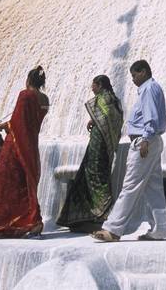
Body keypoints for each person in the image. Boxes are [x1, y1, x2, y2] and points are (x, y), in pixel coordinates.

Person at [93, 60, 166, 242]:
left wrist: (145, 140)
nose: (133, 79)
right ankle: (160, 229)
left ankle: (113, 229)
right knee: (153, 188)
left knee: (130, 186)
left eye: (134, 75)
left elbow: (150, 117)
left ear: (143, 72)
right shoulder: (153, 88)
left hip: (145, 142)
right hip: (151, 141)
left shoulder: (148, 89)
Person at [0, 65, 49, 239]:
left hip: (14, 147)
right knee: (25, 184)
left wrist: (0, 126)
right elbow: (27, 123)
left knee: (4, 186)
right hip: (31, 146)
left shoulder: (25, 95)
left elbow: (17, 123)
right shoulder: (44, 99)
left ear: (28, 80)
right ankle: (30, 221)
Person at [57, 75, 124, 233]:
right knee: (100, 176)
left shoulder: (102, 98)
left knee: (94, 177)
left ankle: (101, 215)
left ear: (100, 85)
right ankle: (94, 215)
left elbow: (104, 117)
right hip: (107, 147)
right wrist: (94, 120)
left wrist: (96, 120)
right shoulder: (115, 100)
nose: (92, 88)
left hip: (98, 145)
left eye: (93, 85)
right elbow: (110, 120)